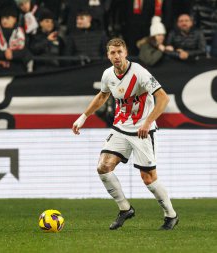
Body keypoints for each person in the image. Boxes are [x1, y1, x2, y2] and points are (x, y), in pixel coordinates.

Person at [72, 38, 179, 230]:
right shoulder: (108, 74)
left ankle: (171, 215)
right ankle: (125, 209)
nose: (116, 56)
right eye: (112, 53)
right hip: (120, 128)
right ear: (108, 55)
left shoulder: (140, 73)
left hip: (142, 131)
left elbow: (163, 98)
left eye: (119, 52)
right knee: (103, 167)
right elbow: (103, 95)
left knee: (148, 178)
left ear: (126, 52)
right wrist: (83, 116)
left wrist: (147, 122)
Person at [0, 5, 30, 73]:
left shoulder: (21, 32)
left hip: (18, 67)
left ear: (14, 19)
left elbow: (25, 51)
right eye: (2, 18)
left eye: (7, 18)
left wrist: (13, 54)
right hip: (0, 67)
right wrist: (4, 54)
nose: (4, 21)